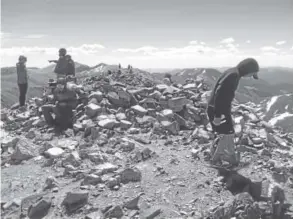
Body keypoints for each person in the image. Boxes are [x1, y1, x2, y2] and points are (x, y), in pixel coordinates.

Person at [207, 58, 259, 167]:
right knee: (227, 134)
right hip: (217, 110)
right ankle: (215, 160)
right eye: (251, 74)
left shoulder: (233, 72)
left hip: (219, 110)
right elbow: (220, 94)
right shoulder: (233, 75)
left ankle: (231, 159)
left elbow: (223, 94)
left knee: (228, 133)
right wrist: (217, 115)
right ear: (247, 69)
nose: (250, 77)